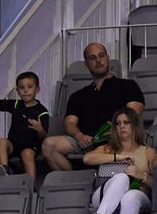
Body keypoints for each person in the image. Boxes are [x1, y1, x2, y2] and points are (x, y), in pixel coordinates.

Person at [43, 44, 145, 173]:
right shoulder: (78, 96)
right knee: (49, 145)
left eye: (101, 56)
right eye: (93, 58)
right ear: (86, 64)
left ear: (107, 58)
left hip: (115, 139)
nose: (98, 61)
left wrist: (112, 131)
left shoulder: (127, 86)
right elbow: (69, 123)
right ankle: (75, 181)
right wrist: (79, 136)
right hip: (85, 141)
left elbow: (133, 112)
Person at [84, 106, 156, 214]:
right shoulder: (107, 149)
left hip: (139, 196)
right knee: (122, 177)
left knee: (130, 196)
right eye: (118, 124)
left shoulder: (148, 151)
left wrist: (141, 175)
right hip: (104, 195)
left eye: (126, 122)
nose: (121, 126)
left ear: (135, 125)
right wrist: (119, 157)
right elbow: (87, 158)